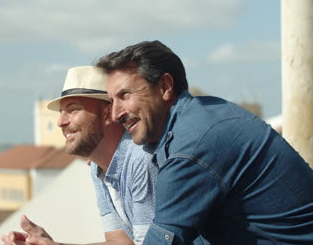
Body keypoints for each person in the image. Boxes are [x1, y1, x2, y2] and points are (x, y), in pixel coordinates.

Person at [95, 40, 313, 245]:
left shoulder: (192, 147)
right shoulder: (196, 118)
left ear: (165, 86)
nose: (115, 114)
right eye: (112, 101)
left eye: (125, 95)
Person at [2, 65, 159, 245]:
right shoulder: (98, 166)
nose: (60, 122)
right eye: (61, 112)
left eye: (73, 110)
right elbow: (119, 241)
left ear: (108, 113)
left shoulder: (141, 159)